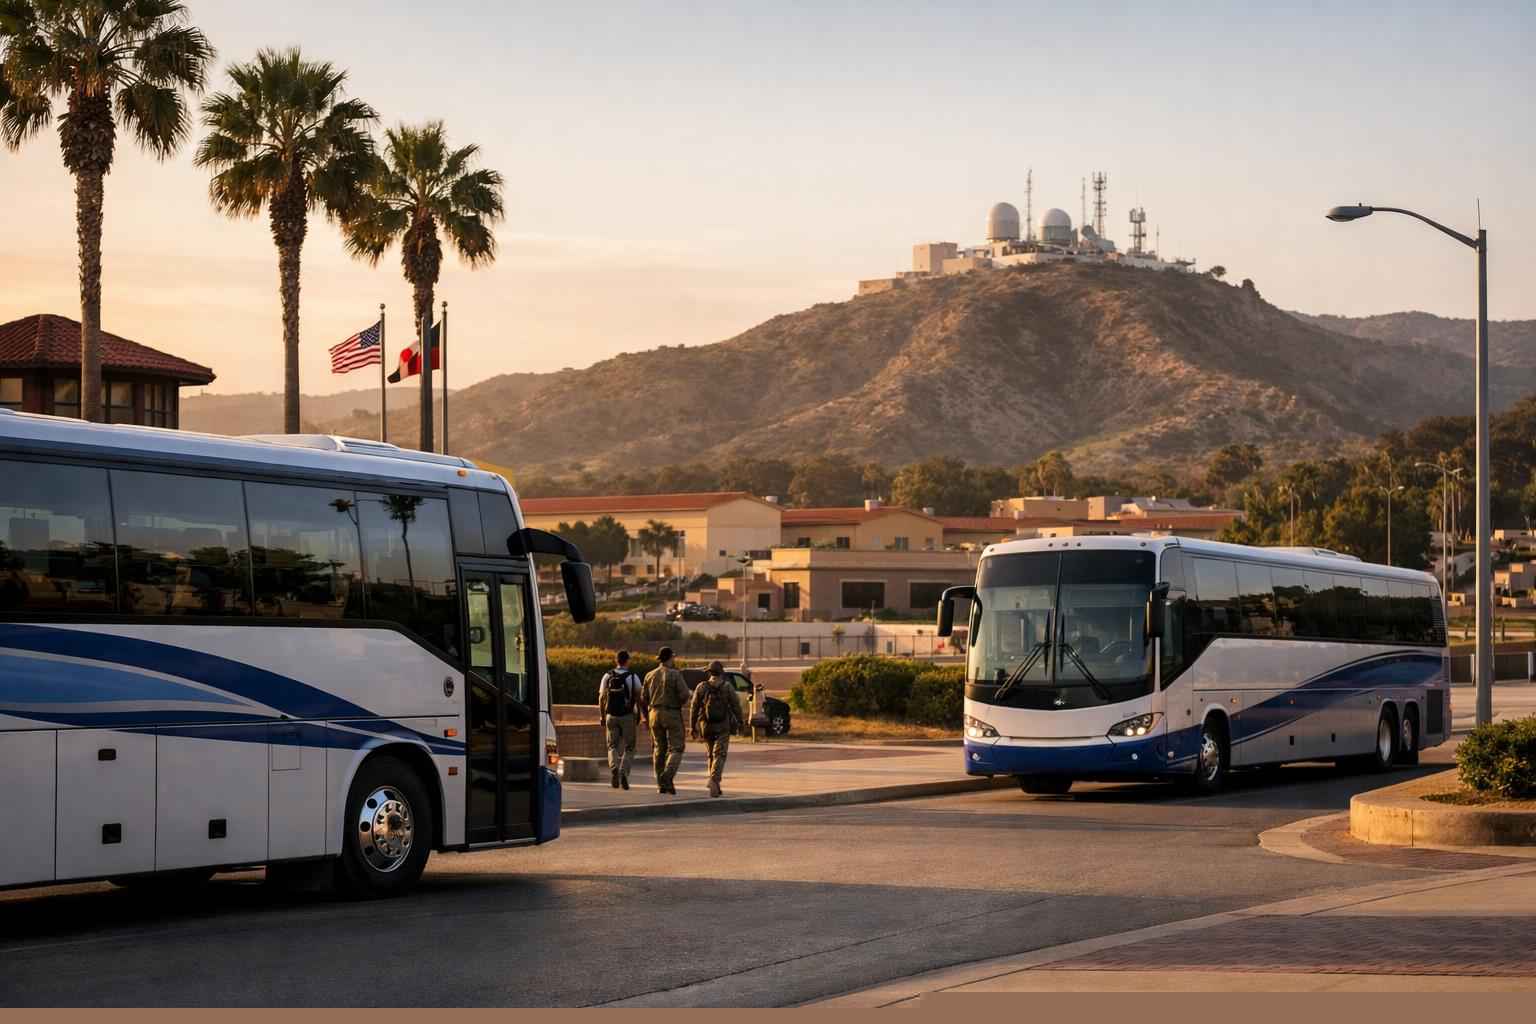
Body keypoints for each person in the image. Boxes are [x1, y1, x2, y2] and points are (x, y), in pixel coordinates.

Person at [690, 660, 744, 798]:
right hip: (722, 726)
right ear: (721, 672)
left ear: (709, 672)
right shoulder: (727, 687)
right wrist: (740, 721)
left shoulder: (702, 687)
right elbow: (736, 706)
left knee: (711, 755)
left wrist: (692, 726)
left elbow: (694, 707)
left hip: (706, 726)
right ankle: (714, 780)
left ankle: (715, 785)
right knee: (720, 755)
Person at [642, 646, 691, 794]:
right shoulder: (675, 675)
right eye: (673, 657)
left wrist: (647, 715)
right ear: (670, 658)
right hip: (671, 713)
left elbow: (643, 698)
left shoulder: (649, 675)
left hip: (654, 714)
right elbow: (684, 695)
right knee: (677, 747)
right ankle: (667, 777)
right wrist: (677, 705)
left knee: (659, 749)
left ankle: (661, 785)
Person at [598, 650, 643, 790]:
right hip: (627, 716)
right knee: (630, 747)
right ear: (627, 661)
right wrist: (640, 714)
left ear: (616, 661)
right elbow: (638, 697)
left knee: (612, 746)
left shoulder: (607, 676)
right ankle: (623, 771)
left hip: (611, 715)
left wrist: (602, 715)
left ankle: (614, 768)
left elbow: (601, 698)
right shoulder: (633, 677)